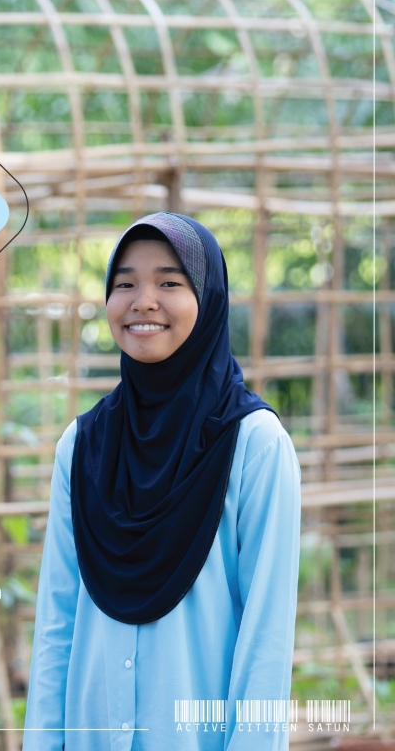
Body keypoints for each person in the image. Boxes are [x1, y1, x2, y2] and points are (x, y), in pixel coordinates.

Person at [22, 212, 301, 751]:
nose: (143, 301)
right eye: (124, 284)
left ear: (209, 299)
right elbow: (57, 624)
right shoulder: (81, 446)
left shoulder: (254, 445)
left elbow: (266, 640)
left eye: (170, 283)